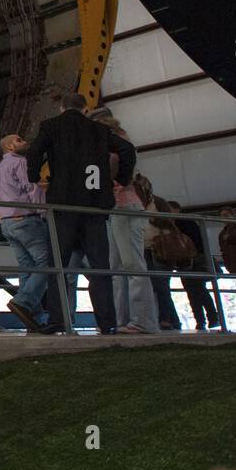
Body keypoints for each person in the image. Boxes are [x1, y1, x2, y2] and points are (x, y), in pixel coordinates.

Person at [26, 93, 135, 334]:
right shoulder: (99, 130)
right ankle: (107, 323)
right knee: (99, 266)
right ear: (85, 109)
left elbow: (34, 152)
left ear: (62, 107)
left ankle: (57, 320)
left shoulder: (51, 126)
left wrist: (34, 177)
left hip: (63, 206)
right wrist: (120, 179)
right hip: (94, 206)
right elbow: (127, 150)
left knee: (58, 265)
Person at [90, 111, 158, 334]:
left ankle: (142, 320)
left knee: (132, 264)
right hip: (115, 207)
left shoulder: (117, 143)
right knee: (118, 267)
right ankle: (122, 319)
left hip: (125, 206)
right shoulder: (114, 142)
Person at [0, 134, 50, 331]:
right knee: (48, 262)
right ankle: (23, 302)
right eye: (19, 140)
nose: (24, 142)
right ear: (9, 146)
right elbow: (31, 187)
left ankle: (34, 317)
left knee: (27, 268)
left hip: (6, 223)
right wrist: (44, 210)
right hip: (25, 220)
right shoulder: (21, 163)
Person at [168, 201, 221, 330]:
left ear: (176, 210)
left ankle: (204, 319)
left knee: (195, 291)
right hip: (190, 260)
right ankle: (209, 318)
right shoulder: (189, 223)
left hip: (189, 261)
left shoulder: (181, 224)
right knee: (197, 291)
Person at [140, 185, 182, 330]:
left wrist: (152, 219)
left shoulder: (158, 203)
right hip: (146, 248)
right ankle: (171, 319)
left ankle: (165, 318)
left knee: (161, 286)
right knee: (159, 286)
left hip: (160, 249)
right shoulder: (141, 204)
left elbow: (168, 224)